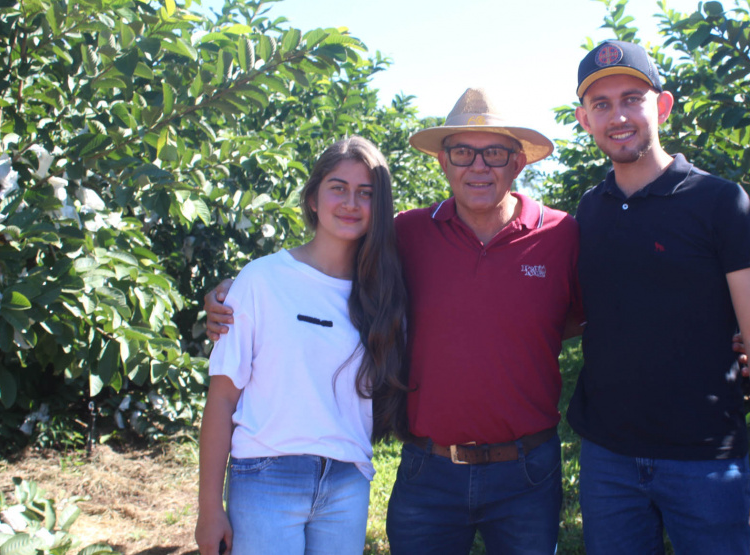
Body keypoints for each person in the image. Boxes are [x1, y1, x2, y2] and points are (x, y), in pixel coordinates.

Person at [205, 88, 580, 554]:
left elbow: (577, 320)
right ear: (443, 162)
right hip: (430, 469)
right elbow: (321, 263)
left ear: (519, 162)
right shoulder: (408, 234)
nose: (478, 166)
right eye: (463, 152)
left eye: (495, 153)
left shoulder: (562, 235)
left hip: (526, 468)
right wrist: (229, 293)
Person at [568, 40, 750, 553]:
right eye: (602, 105)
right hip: (608, 458)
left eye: (632, 98)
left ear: (663, 105)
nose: (618, 116)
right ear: (585, 119)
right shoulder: (590, 211)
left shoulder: (720, 202)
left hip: (705, 462)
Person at [193, 137, 408, 555]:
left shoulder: (383, 293)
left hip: (347, 482)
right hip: (265, 477)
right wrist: (208, 508)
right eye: (338, 187)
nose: (350, 202)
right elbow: (220, 401)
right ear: (312, 199)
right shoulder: (260, 281)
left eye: (366, 193)